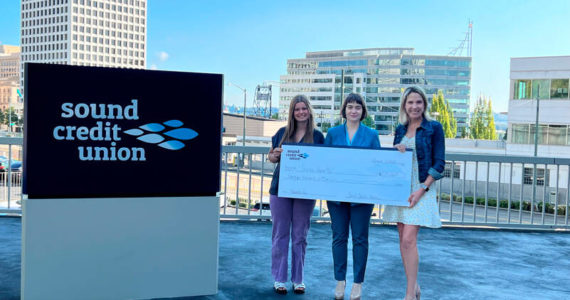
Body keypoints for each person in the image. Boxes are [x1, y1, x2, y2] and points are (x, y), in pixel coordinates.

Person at [382, 86, 445, 300]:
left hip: (421, 187)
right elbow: (394, 162)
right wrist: (396, 149)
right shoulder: (400, 129)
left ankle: (409, 294)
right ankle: (415, 285)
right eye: (410, 102)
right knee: (402, 239)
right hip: (401, 189)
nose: (414, 106)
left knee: (409, 239)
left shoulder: (434, 128)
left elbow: (439, 163)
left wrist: (422, 189)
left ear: (424, 104)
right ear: (404, 106)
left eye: (418, 102)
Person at [324, 93, 381, 300]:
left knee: (360, 239)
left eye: (357, 107)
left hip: (362, 197)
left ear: (363, 111)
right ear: (344, 110)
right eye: (350, 107)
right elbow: (325, 163)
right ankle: (340, 280)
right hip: (336, 197)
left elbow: (377, 165)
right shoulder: (332, 133)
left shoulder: (372, 135)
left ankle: (357, 283)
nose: (353, 110)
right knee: (338, 238)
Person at [267, 94, 325, 295]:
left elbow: (321, 164)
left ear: (309, 111)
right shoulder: (281, 133)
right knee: (280, 234)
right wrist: (274, 155)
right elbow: (272, 157)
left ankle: (298, 279)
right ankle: (279, 278)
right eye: (297, 109)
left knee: (300, 235)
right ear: (292, 112)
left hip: (305, 192)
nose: (301, 112)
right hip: (280, 190)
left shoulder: (318, 137)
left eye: (304, 108)